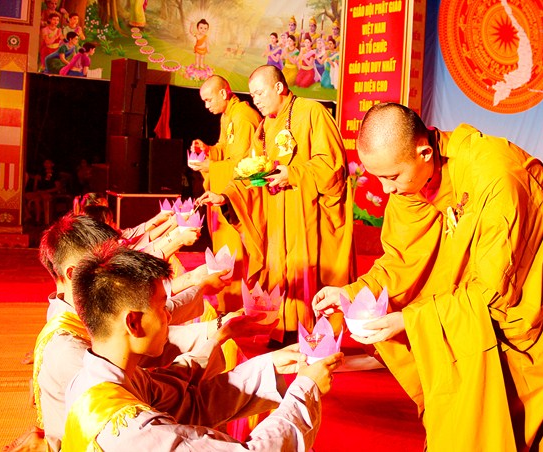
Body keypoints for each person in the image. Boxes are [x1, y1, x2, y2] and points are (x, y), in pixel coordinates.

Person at [312, 103, 543, 450]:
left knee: (518, 390)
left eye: (391, 177)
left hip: (532, 280)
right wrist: (356, 292)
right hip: (480, 283)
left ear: (424, 152)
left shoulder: (495, 176)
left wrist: (412, 320)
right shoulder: (412, 176)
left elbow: (493, 291)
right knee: (463, 374)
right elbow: (403, 257)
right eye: (378, 177)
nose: (386, 190)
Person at [62, 243, 344, 450]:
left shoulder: (95, 380)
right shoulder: (134, 431)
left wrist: (267, 366)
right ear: (133, 323)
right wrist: (305, 390)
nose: (169, 316)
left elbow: (186, 401)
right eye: (162, 307)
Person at [29, 214, 235, 450]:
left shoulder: (76, 313)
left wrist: (211, 316)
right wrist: (214, 330)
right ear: (73, 273)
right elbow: (153, 406)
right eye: (107, 264)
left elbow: (155, 314)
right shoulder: (70, 350)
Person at [197, 65, 353, 344]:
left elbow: (332, 165)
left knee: (304, 268)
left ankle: (309, 332)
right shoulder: (266, 126)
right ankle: (283, 326)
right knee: (278, 269)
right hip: (277, 215)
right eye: (253, 95)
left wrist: (292, 174)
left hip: (306, 214)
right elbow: (249, 170)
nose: (255, 100)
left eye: (259, 93)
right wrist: (226, 195)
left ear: (279, 87)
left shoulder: (312, 112)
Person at [189, 75, 261, 312]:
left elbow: (244, 164)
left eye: (209, 100)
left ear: (223, 93)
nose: (206, 105)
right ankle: (228, 302)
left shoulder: (244, 116)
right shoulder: (228, 116)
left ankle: (239, 305)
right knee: (226, 248)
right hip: (226, 190)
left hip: (241, 195)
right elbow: (225, 149)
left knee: (236, 250)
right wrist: (208, 150)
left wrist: (211, 167)